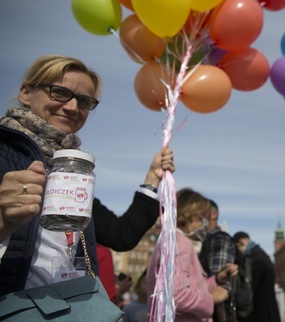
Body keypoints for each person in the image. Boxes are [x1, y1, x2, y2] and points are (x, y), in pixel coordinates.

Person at [0, 55, 174, 295]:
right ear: (26, 94)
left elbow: (120, 235)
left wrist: (152, 177)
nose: (72, 107)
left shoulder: (72, 173)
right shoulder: (4, 149)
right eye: (59, 92)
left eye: (83, 101)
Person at [147, 188, 238, 321]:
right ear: (193, 217)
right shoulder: (180, 242)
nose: (204, 224)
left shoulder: (168, 241)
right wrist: (211, 299)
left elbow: (190, 286)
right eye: (202, 218)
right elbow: (176, 293)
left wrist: (217, 279)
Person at [198, 199, 236, 322]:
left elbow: (218, 286)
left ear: (213, 214)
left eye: (201, 212)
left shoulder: (218, 239)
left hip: (216, 314)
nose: (197, 216)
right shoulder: (208, 241)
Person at [232, 231, 281, 322]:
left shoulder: (255, 258)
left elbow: (251, 288)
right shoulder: (260, 254)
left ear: (242, 242)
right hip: (269, 310)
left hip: (263, 313)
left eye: (237, 247)